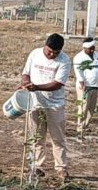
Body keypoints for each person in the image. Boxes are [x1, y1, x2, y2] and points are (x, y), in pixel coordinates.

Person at [20, 33, 71, 181]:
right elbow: (25, 74)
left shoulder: (65, 61)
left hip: (55, 105)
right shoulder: (35, 54)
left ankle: (61, 168)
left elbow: (58, 84)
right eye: (49, 51)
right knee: (36, 137)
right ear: (45, 46)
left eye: (56, 53)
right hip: (35, 104)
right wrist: (26, 83)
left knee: (58, 138)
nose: (52, 55)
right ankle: (37, 166)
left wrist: (37, 87)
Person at [72, 37, 98, 136]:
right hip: (84, 88)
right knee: (83, 107)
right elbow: (78, 72)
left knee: (91, 108)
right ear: (84, 48)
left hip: (95, 86)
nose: (92, 50)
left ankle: (85, 126)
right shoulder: (79, 57)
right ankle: (80, 128)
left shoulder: (96, 55)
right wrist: (83, 84)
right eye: (90, 48)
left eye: (93, 48)